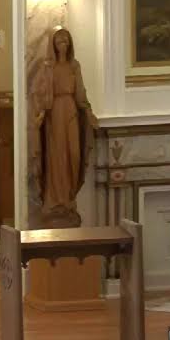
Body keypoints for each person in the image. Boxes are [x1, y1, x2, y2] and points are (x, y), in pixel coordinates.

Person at [30, 27, 96, 227]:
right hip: (54, 115)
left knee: (73, 155)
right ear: (53, 44)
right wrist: (40, 112)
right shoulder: (47, 67)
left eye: (65, 40)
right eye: (59, 41)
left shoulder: (74, 66)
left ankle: (68, 199)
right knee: (56, 158)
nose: (62, 44)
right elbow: (38, 92)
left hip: (71, 113)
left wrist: (88, 111)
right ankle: (55, 201)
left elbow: (81, 92)